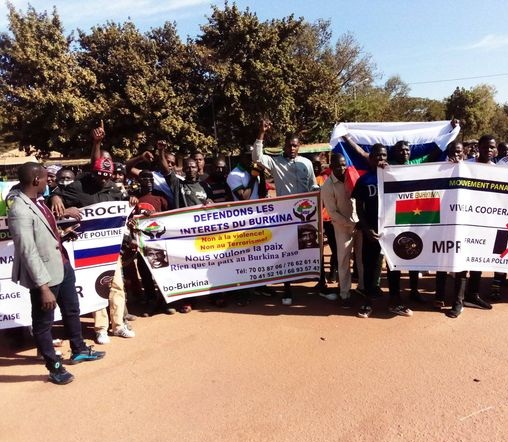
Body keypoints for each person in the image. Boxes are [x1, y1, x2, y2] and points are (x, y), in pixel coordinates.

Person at [8, 162, 105, 385]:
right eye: (45, 178)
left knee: (72, 309)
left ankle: (79, 349)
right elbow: (27, 250)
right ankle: (54, 367)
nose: (48, 181)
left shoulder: (38, 202)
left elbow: (44, 235)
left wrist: (61, 233)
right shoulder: (19, 210)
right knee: (43, 324)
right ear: (35, 180)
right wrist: (43, 287)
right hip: (44, 275)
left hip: (62, 265)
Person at [252, 119, 318, 305]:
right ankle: (287, 290)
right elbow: (256, 157)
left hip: (307, 212)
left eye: (295, 146)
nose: (292, 148)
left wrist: (317, 193)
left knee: (310, 248)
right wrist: (261, 133)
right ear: (284, 146)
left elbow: (312, 184)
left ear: (299, 147)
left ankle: (320, 284)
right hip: (287, 214)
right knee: (287, 252)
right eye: (289, 145)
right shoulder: (275, 162)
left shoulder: (307, 163)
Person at [352, 144, 413, 318]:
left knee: (394, 266)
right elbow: (359, 208)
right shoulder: (364, 180)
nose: (381, 159)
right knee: (370, 268)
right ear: (370, 159)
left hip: (393, 231)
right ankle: (367, 303)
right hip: (371, 231)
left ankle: (395, 301)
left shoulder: (395, 177)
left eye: (384, 156)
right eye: (377, 156)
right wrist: (365, 228)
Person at [447, 134, 496, 318]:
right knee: (462, 261)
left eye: (491, 147)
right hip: (465, 220)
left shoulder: (499, 171)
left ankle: (472, 295)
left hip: (486, 222)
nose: (488, 150)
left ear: (496, 150)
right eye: (485, 147)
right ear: (478, 148)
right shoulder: (466, 166)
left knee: (479, 258)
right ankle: (457, 302)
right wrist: (452, 165)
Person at [321, 153, 364, 308]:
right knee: (344, 260)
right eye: (338, 165)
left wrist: (360, 221)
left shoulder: (351, 177)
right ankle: (345, 293)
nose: (342, 168)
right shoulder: (327, 186)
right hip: (342, 228)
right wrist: (351, 224)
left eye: (343, 164)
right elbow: (332, 213)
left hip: (359, 224)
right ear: (331, 167)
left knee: (361, 258)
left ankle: (362, 289)